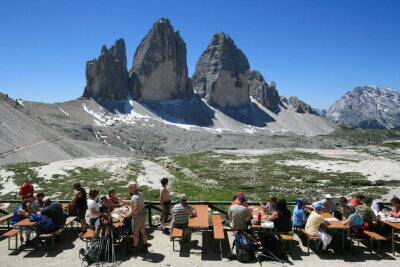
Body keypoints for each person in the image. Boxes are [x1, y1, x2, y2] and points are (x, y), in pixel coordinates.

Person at [121, 181, 148, 253]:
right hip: (143, 214)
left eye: (129, 187)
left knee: (135, 233)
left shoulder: (135, 197)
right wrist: (123, 201)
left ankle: (134, 248)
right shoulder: (140, 194)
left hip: (137, 217)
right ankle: (145, 246)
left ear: (133, 188)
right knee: (143, 230)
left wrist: (128, 215)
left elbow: (136, 208)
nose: (128, 189)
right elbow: (132, 202)